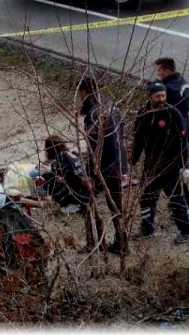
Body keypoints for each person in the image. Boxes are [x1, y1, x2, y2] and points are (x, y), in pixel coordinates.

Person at [132, 82, 189, 244]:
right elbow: (138, 139)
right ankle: (147, 229)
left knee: (176, 198)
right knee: (146, 198)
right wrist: (133, 160)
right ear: (149, 96)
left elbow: (183, 142)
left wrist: (184, 166)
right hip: (151, 166)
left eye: (163, 96)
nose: (161, 99)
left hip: (171, 165)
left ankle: (188, 231)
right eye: (157, 96)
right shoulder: (143, 113)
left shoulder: (172, 114)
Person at [77, 76, 128, 254]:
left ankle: (94, 243)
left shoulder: (93, 113)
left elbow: (94, 147)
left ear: (84, 92)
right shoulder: (112, 105)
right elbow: (123, 132)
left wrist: (89, 172)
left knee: (87, 200)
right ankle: (122, 243)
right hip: (118, 161)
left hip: (103, 166)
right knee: (116, 204)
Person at [155, 57, 189, 213]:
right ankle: (183, 203)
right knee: (182, 170)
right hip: (185, 129)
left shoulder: (168, 90)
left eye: (159, 70)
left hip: (174, 136)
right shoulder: (181, 82)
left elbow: (164, 113)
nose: (157, 73)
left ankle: (185, 208)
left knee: (176, 173)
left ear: (166, 70)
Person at [43, 135, 91, 213]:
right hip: (86, 192)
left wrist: (49, 194)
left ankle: (73, 206)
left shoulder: (61, 157)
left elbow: (53, 178)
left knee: (51, 180)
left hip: (79, 194)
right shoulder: (72, 154)